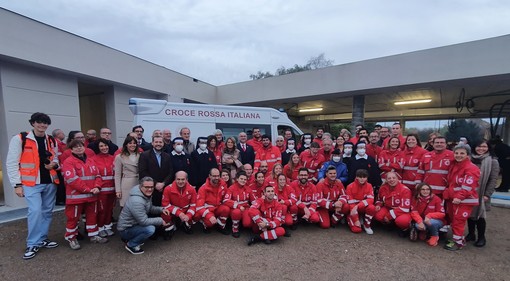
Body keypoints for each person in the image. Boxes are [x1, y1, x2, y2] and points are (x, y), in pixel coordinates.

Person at [6, 112, 60, 259]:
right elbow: (11, 163)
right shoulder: (20, 139)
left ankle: (42, 239)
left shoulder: (51, 140)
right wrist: (16, 184)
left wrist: (54, 164)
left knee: (47, 212)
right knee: (35, 211)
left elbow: (56, 158)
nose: (42, 125)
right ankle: (33, 243)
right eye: (39, 122)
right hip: (31, 183)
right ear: (33, 123)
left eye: (45, 123)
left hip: (49, 182)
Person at [62, 139, 108, 250]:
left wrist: (97, 187)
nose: (79, 148)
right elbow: (72, 179)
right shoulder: (68, 162)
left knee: (92, 216)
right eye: (76, 147)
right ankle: (71, 238)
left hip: (92, 195)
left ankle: (93, 235)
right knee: (73, 218)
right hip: (76, 197)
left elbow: (98, 175)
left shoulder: (90, 161)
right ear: (71, 149)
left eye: (81, 146)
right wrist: (88, 189)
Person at [117, 177, 171, 254]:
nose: (149, 189)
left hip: (133, 224)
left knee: (152, 224)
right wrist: (161, 220)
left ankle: (132, 238)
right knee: (150, 229)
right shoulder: (137, 201)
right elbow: (143, 221)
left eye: (151, 187)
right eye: (147, 187)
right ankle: (131, 244)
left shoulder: (144, 194)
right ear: (140, 186)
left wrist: (161, 209)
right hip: (126, 229)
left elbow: (150, 208)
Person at [443, 144, 481, 251]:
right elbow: (452, 183)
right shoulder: (455, 165)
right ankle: (456, 239)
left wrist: (459, 197)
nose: (458, 155)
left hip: (464, 200)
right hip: (454, 199)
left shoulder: (471, 168)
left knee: (458, 221)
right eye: (456, 153)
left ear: (467, 155)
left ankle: (458, 243)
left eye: (462, 153)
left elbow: (468, 186)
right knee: (454, 219)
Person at [467, 140, 499, 247]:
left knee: (480, 215)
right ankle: (471, 234)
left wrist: (487, 194)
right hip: (469, 192)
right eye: (478, 146)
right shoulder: (469, 159)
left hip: (482, 193)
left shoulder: (492, 161)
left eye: (484, 146)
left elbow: (493, 180)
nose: (481, 148)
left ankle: (481, 237)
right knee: (469, 214)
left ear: (488, 148)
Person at [138, 136, 173, 208]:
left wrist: (163, 183)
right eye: (156, 142)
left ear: (163, 144)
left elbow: (171, 172)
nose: (158, 144)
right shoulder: (144, 155)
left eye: (160, 142)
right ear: (152, 143)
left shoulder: (167, 156)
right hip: (150, 189)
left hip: (164, 188)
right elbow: (143, 172)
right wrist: (156, 183)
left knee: (163, 210)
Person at [91, 138, 116, 238]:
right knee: (101, 210)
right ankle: (100, 227)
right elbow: (95, 175)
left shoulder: (113, 158)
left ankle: (107, 226)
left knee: (110, 209)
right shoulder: (93, 159)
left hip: (112, 189)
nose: (104, 148)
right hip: (101, 190)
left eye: (105, 145)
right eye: (101, 146)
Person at [161, 171, 197, 239]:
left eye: (183, 179)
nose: (180, 181)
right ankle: (169, 228)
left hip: (186, 210)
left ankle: (186, 224)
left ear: (187, 179)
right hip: (173, 211)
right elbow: (165, 205)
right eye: (178, 179)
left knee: (197, 213)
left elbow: (193, 205)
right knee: (165, 213)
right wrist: (179, 213)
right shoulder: (168, 189)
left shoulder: (192, 189)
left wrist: (188, 215)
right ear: (175, 179)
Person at [194, 168, 231, 234]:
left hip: (218, 207)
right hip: (208, 209)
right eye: (214, 176)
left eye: (218, 176)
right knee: (209, 223)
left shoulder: (223, 184)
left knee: (226, 209)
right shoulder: (203, 188)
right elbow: (199, 207)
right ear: (209, 176)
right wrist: (209, 216)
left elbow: (226, 198)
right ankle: (206, 225)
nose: (216, 178)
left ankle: (220, 226)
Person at [223, 171, 256, 237]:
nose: (243, 181)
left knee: (247, 224)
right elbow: (225, 200)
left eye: (245, 179)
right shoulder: (231, 188)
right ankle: (235, 229)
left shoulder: (248, 189)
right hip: (235, 208)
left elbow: (254, 201)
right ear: (237, 179)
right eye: (241, 179)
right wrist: (238, 206)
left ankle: (241, 223)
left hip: (245, 208)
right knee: (236, 212)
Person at [345, 169, 376, 234]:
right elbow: (351, 203)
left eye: (364, 177)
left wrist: (358, 206)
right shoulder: (350, 186)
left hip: (361, 207)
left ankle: (366, 225)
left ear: (367, 178)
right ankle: (350, 217)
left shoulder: (369, 186)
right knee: (356, 230)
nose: (362, 179)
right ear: (356, 177)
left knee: (372, 207)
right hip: (352, 208)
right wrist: (356, 219)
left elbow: (371, 200)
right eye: (360, 177)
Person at [114, 136, 140, 207]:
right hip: (126, 184)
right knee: (126, 206)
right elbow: (117, 175)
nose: (132, 145)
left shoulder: (140, 155)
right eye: (130, 143)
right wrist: (118, 190)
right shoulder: (119, 157)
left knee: (137, 206)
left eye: (134, 143)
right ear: (126, 144)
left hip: (138, 183)